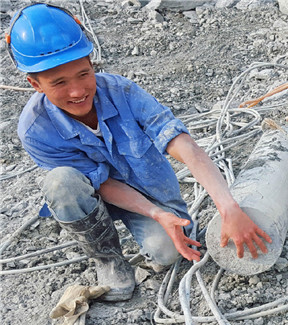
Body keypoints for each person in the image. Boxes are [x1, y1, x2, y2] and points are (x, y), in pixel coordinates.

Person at [7, 3, 271, 301]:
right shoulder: (35, 130)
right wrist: (156, 214)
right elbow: (100, 183)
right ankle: (108, 259)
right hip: (95, 199)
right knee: (61, 183)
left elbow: (182, 144)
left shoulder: (121, 92)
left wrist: (228, 208)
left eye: (83, 74)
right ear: (35, 84)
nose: (77, 91)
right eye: (59, 83)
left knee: (169, 252)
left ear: (92, 64)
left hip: (149, 192)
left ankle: (155, 227)